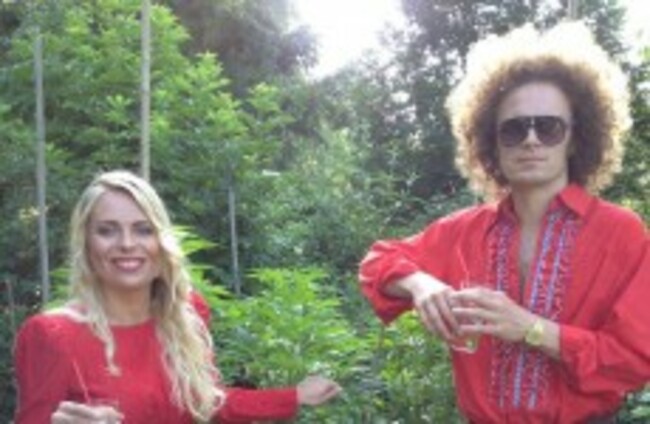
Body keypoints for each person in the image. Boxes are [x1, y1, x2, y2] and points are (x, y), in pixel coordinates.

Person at [359, 21, 650, 423]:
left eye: (548, 127)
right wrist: (421, 285)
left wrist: (530, 328)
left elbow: (635, 360)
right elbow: (377, 263)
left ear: (576, 139)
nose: (530, 140)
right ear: (491, 144)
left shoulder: (621, 232)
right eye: (513, 130)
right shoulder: (464, 231)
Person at [14, 170, 341, 423]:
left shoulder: (185, 315)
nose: (127, 243)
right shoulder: (53, 335)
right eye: (107, 230)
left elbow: (208, 402)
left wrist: (294, 396)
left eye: (143, 229)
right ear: (86, 243)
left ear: (161, 241)